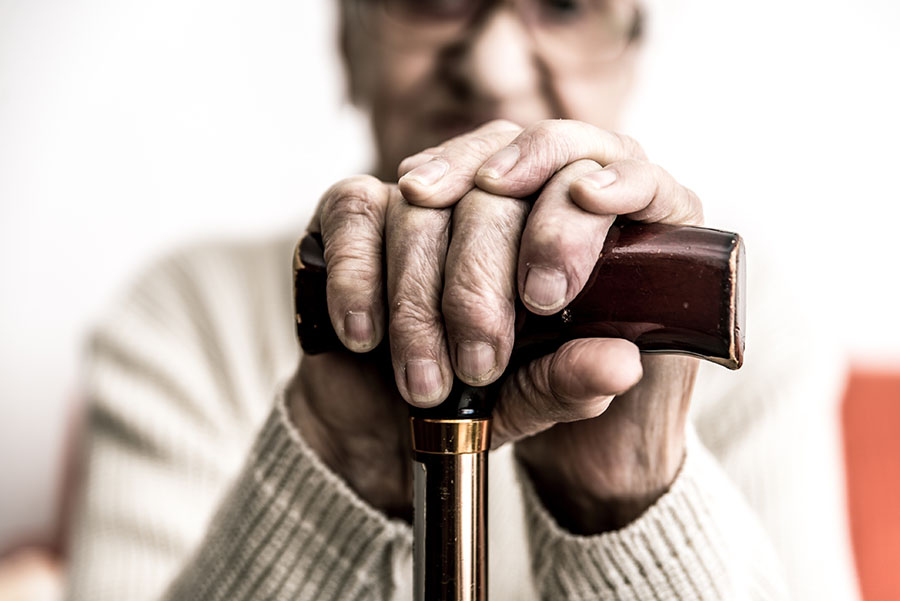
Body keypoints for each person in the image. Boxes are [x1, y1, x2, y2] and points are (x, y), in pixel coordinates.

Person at [64, 1, 860, 600]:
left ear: (631, 55)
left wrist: (632, 491)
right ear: (348, 43)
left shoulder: (720, 308)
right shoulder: (186, 317)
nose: (494, 67)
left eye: (565, 6)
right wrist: (339, 462)